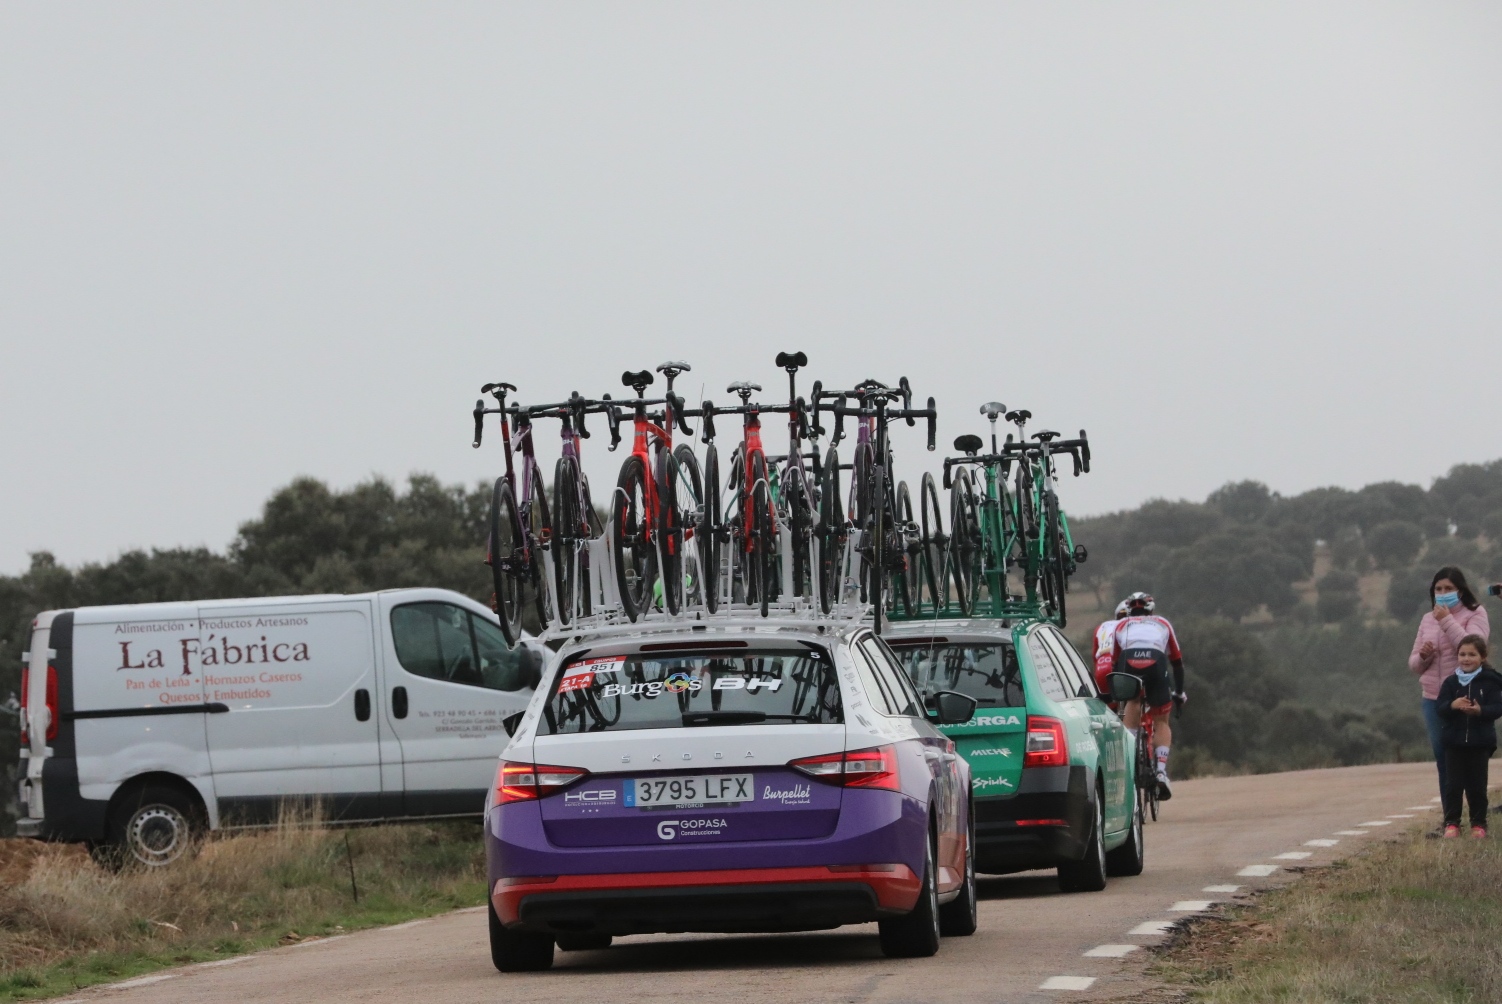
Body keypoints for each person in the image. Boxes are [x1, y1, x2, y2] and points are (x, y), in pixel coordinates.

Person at [1408, 566, 1490, 801]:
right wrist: (1424, 656)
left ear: (1460, 591)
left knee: (1469, 757)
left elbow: (1474, 647)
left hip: (1466, 695)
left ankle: (1476, 813)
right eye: (1438, 589)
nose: (1443, 593)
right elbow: (1414, 664)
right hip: (1434, 699)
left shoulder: (1475, 614)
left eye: (1448, 588)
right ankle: (1450, 815)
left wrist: (1446, 621)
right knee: (1443, 757)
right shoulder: (1427, 619)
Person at [1112, 592, 1186, 800]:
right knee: (1161, 721)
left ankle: (1131, 755)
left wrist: (1119, 696)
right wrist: (1179, 693)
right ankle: (1161, 772)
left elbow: (1114, 664)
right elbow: (1177, 662)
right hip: (1156, 661)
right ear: (1150, 610)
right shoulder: (1162, 623)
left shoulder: (1121, 625)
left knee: (1133, 701)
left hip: (1128, 660)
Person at [1434, 634, 1502, 838]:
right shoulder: (1450, 682)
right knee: (1453, 785)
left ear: (1482, 657)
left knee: (1477, 786)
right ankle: (1452, 823)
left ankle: (1478, 824)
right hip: (1454, 742)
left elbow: (1497, 708)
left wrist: (1480, 711)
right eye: (1462, 654)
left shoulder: (1491, 682)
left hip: (1480, 742)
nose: (1466, 659)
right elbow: (1440, 708)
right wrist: (1452, 705)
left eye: (1472, 654)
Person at [1091, 599, 1130, 693]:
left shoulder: (1102, 626)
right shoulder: (1134, 626)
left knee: (1107, 700)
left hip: (1101, 668)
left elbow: (1094, 656)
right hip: (1122, 666)